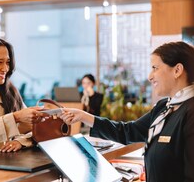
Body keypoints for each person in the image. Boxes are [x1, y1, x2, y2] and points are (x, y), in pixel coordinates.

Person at [59, 41, 194, 182]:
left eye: (155, 68)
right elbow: (128, 131)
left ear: (177, 70)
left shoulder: (190, 112)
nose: (150, 76)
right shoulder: (164, 107)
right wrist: (84, 116)